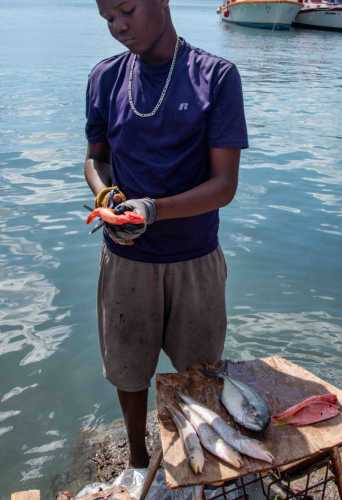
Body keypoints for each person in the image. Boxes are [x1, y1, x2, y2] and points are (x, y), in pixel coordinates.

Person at [84, 0, 248, 478]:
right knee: (128, 372)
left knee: (200, 374)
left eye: (127, 10)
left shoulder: (215, 76)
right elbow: (95, 159)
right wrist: (108, 196)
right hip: (126, 261)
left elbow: (224, 186)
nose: (119, 26)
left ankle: (203, 466)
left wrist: (154, 209)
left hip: (195, 260)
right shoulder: (105, 78)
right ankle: (138, 465)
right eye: (108, 19)